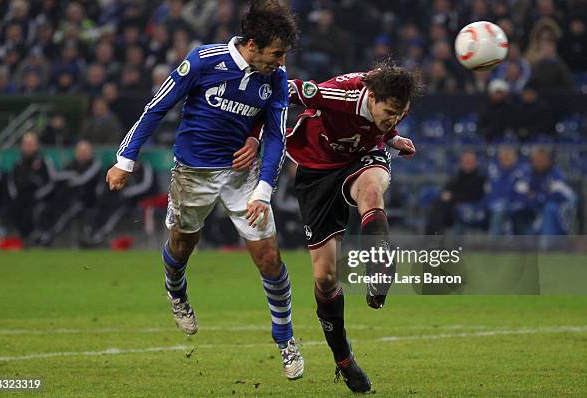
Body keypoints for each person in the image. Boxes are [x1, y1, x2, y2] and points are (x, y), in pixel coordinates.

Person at [104, 1, 304, 380]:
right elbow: (156, 108)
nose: (280, 63)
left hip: (240, 176)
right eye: (276, 54)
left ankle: (286, 340)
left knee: (269, 258)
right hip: (192, 175)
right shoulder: (202, 61)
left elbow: (277, 132)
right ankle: (176, 292)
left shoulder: (275, 77)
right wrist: (124, 160)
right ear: (252, 44)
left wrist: (263, 187)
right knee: (182, 246)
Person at [286, 60, 418, 392]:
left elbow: (383, 124)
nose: (393, 117)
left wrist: (392, 137)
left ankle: (379, 263)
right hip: (317, 169)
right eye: (388, 111)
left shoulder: (389, 106)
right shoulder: (339, 96)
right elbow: (289, 88)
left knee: (372, 190)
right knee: (325, 277)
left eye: (398, 114)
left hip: (363, 156)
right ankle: (343, 360)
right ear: (371, 97)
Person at [31, 140, 102, 246]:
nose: (82, 154)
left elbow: (81, 180)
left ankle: (48, 236)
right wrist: (70, 176)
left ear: (90, 152)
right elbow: (58, 177)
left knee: (66, 213)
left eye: (85, 151)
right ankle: (40, 233)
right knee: (47, 208)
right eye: (80, 151)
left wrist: (69, 178)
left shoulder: (95, 164)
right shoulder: (72, 164)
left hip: (87, 200)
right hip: (69, 198)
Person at [6, 132, 55, 239]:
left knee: (33, 211)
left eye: (31, 144)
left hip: (39, 196)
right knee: (12, 209)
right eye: (26, 144)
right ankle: (19, 237)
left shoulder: (44, 160)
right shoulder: (18, 161)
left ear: (36, 145)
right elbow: (11, 180)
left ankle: (34, 237)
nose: (28, 146)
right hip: (20, 196)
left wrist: (38, 195)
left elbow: (51, 181)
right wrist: (15, 194)